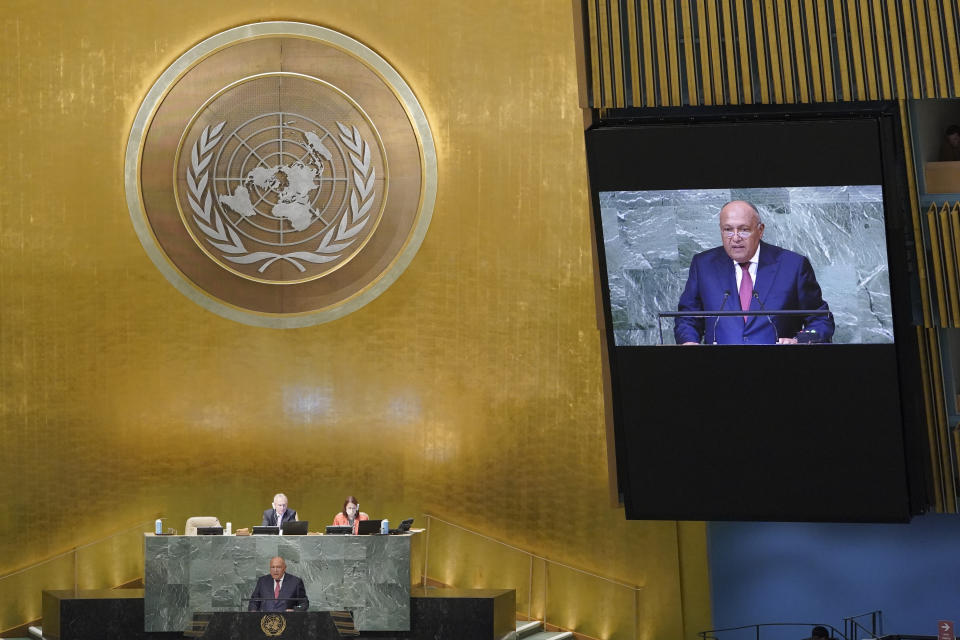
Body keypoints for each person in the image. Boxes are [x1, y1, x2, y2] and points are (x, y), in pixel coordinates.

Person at [674, 200, 834, 345]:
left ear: (760, 230)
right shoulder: (703, 265)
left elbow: (821, 319)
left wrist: (799, 341)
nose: (735, 238)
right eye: (728, 230)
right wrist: (689, 342)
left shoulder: (793, 266)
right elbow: (687, 318)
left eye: (744, 230)